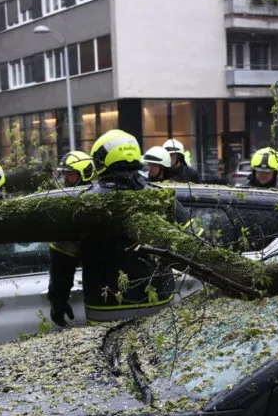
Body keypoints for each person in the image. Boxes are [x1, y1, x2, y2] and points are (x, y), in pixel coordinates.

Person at [48, 129, 181, 326]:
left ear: (101, 161)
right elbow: (193, 243)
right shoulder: (160, 198)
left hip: (104, 308)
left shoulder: (83, 205)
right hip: (158, 304)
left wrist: (58, 299)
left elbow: (62, 260)